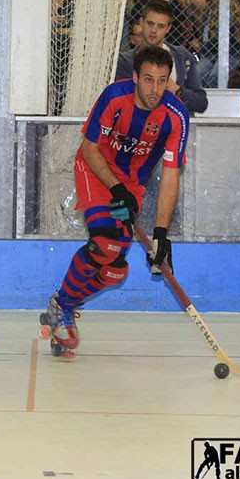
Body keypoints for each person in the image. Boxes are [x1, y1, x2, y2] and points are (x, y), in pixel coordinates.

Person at [39, 45, 190, 359]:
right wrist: (115, 186)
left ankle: (62, 303)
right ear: (135, 77)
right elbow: (90, 147)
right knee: (105, 244)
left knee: (115, 272)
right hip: (96, 170)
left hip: (132, 184)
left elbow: (172, 174)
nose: (155, 89)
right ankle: (64, 309)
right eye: (148, 80)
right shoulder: (114, 97)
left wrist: (161, 233)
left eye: (163, 81)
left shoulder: (176, 117)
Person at [116, 0, 208, 114]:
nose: (154, 30)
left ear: (168, 28)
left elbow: (201, 103)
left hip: (177, 126)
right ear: (141, 22)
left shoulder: (182, 56)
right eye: (150, 23)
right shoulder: (125, 61)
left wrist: (177, 91)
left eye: (160, 26)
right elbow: (120, 100)